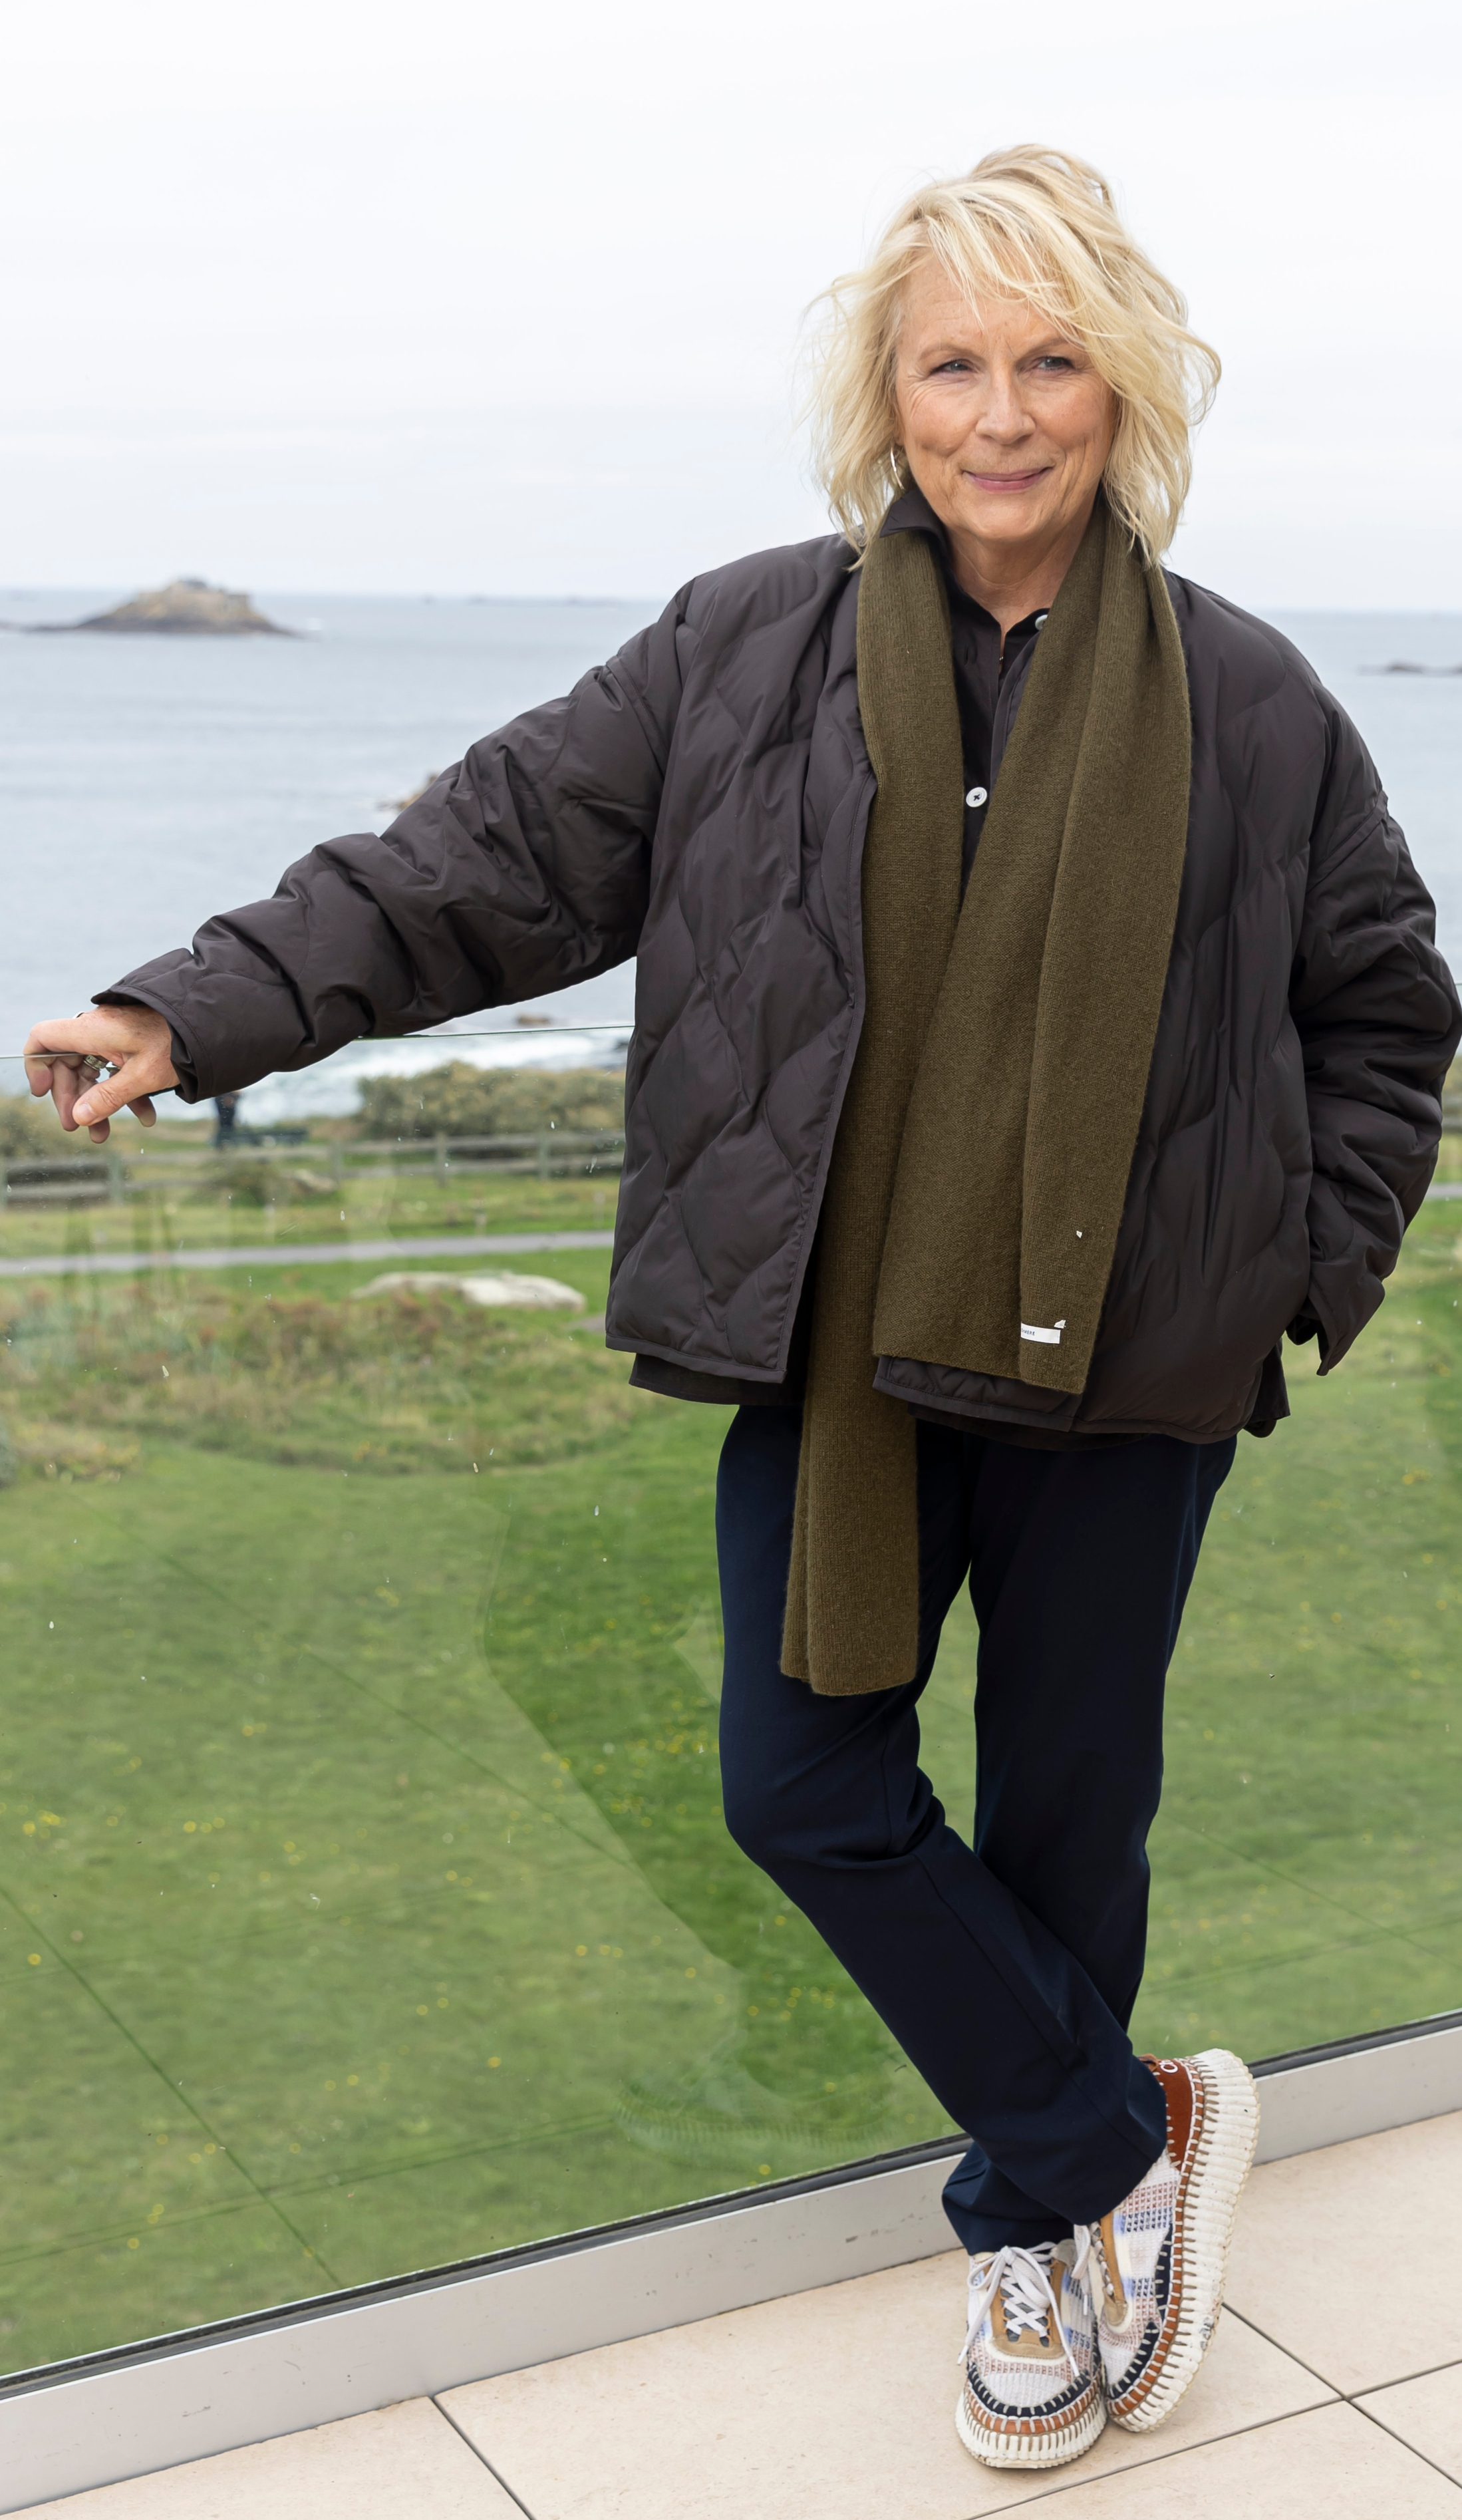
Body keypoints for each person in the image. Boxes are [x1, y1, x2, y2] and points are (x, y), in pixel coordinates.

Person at [26, 147, 1459, 2474]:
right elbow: (473, 864)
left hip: (1131, 1363)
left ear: (1130, 386)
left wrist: (1304, 1271)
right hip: (838, 1347)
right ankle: (1122, 2146)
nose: (1003, 415)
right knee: (801, 1787)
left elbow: (1387, 1013)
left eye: (1051, 359)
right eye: (953, 364)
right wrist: (193, 1007)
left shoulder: (1257, 702)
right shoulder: (746, 646)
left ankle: (1035, 2233)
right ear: (884, 399)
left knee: (1071, 1817)